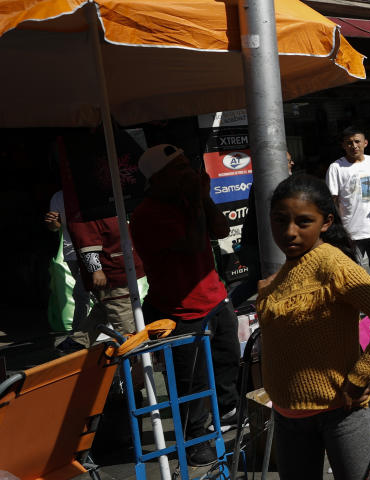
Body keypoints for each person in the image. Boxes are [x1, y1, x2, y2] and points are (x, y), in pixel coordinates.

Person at [258, 174, 370, 480]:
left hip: (341, 414)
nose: (289, 232)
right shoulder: (283, 273)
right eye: (279, 220)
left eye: (303, 222)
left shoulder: (333, 264)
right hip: (287, 417)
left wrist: (359, 376)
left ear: (326, 222)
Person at [130, 144, 240, 466]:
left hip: (215, 298)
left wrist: (202, 198)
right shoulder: (148, 215)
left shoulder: (187, 200)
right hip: (180, 311)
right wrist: (195, 200)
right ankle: (194, 439)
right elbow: (191, 245)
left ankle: (224, 415)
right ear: (158, 179)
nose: (187, 174)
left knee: (227, 362)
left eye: (185, 166)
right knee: (191, 381)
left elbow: (220, 230)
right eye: (177, 170)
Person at [66, 215, 145, 347]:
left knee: (103, 310)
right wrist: (96, 270)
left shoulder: (107, 208)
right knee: (123, 319)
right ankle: (133, 355)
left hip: (119, 270)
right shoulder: (86, 214)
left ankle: (77, 342)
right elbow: (86, 240)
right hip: (111, 275)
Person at [325, 127, 370, 287]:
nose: (353, 145)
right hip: (351, 233)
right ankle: (361, 312)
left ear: (365, 143)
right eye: (349, 143)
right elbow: (331, 201)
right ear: (343, 145)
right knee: (355, 279)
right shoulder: (336, 168)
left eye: (357, 141)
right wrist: (337, 229)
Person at [230, 152, 295, 306]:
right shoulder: (268, 184)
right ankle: (226, 309)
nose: (292, 163)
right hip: (259, 244)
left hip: (259, 243)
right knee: (257, 281)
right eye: (288, 161)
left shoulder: (269, 182)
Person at [44, 189, 89, 329]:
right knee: (88, 294)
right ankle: (92, 329)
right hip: (71, 252)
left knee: (82, 293)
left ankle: (79, 333)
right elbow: (55, 228)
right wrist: (52, 222)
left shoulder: (92, 190)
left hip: (92, 248)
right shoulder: (58, 196)